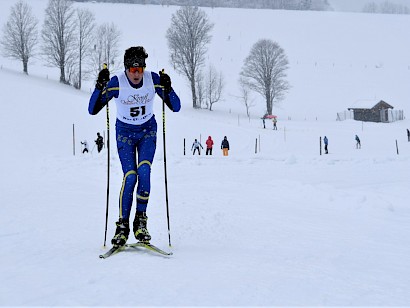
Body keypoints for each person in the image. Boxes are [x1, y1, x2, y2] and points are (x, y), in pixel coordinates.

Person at [88, 46, 181, 247]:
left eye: (140, 69)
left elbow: (176, 106)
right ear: (126, 68)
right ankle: (122, 226)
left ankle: (140, 220)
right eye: (133, 69)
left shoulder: (152, 79)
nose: (137, 74)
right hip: (125, 135)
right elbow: (92, 109)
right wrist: (99, 85)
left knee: (144, 170)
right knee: (130, 176)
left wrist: (168, 87)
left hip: (147, 132)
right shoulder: (117, 83)